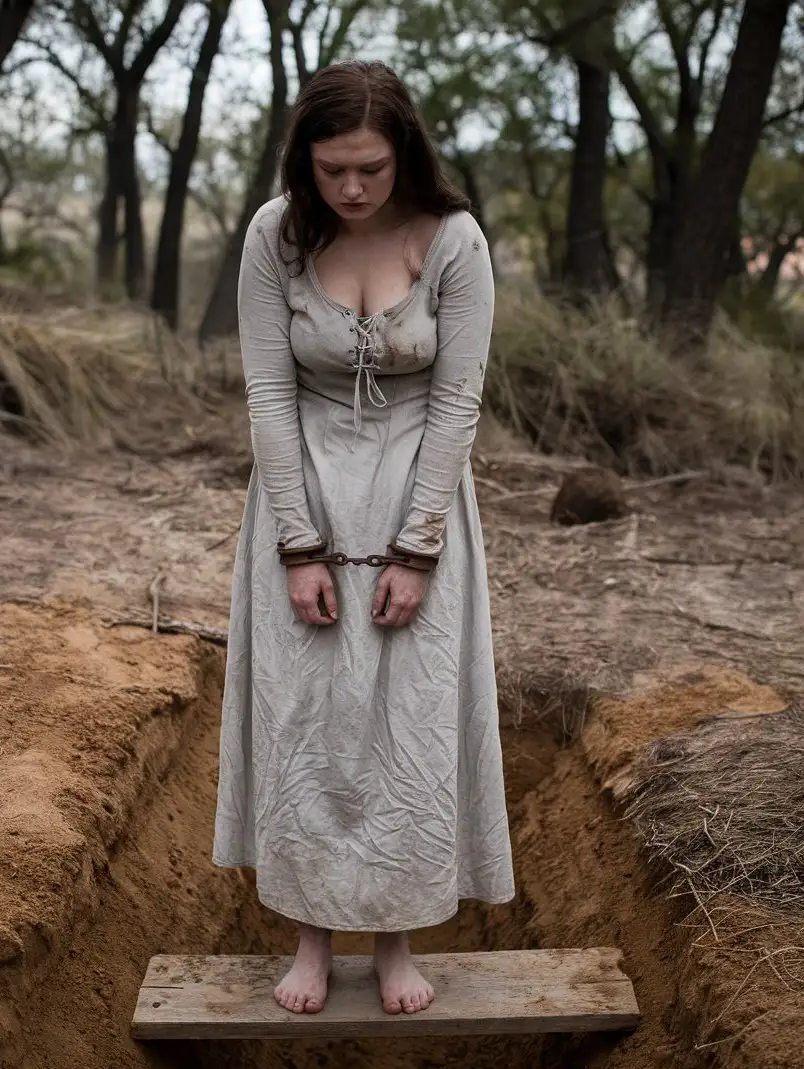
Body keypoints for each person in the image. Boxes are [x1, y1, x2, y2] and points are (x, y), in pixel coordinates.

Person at [212, 59, 515, 1017]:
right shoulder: (276, 235)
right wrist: (298, 545)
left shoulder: (455, 240)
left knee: (406, 715)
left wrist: (418, 547)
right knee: (303, 711)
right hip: (303, 487)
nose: (350, 188)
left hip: (419, 488)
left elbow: (459, 398)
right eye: (332, 168)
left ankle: (394, 938)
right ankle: (310, 936)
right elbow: (266, 390)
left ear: (404, 158)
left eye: (371, 169)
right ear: (304, 160)